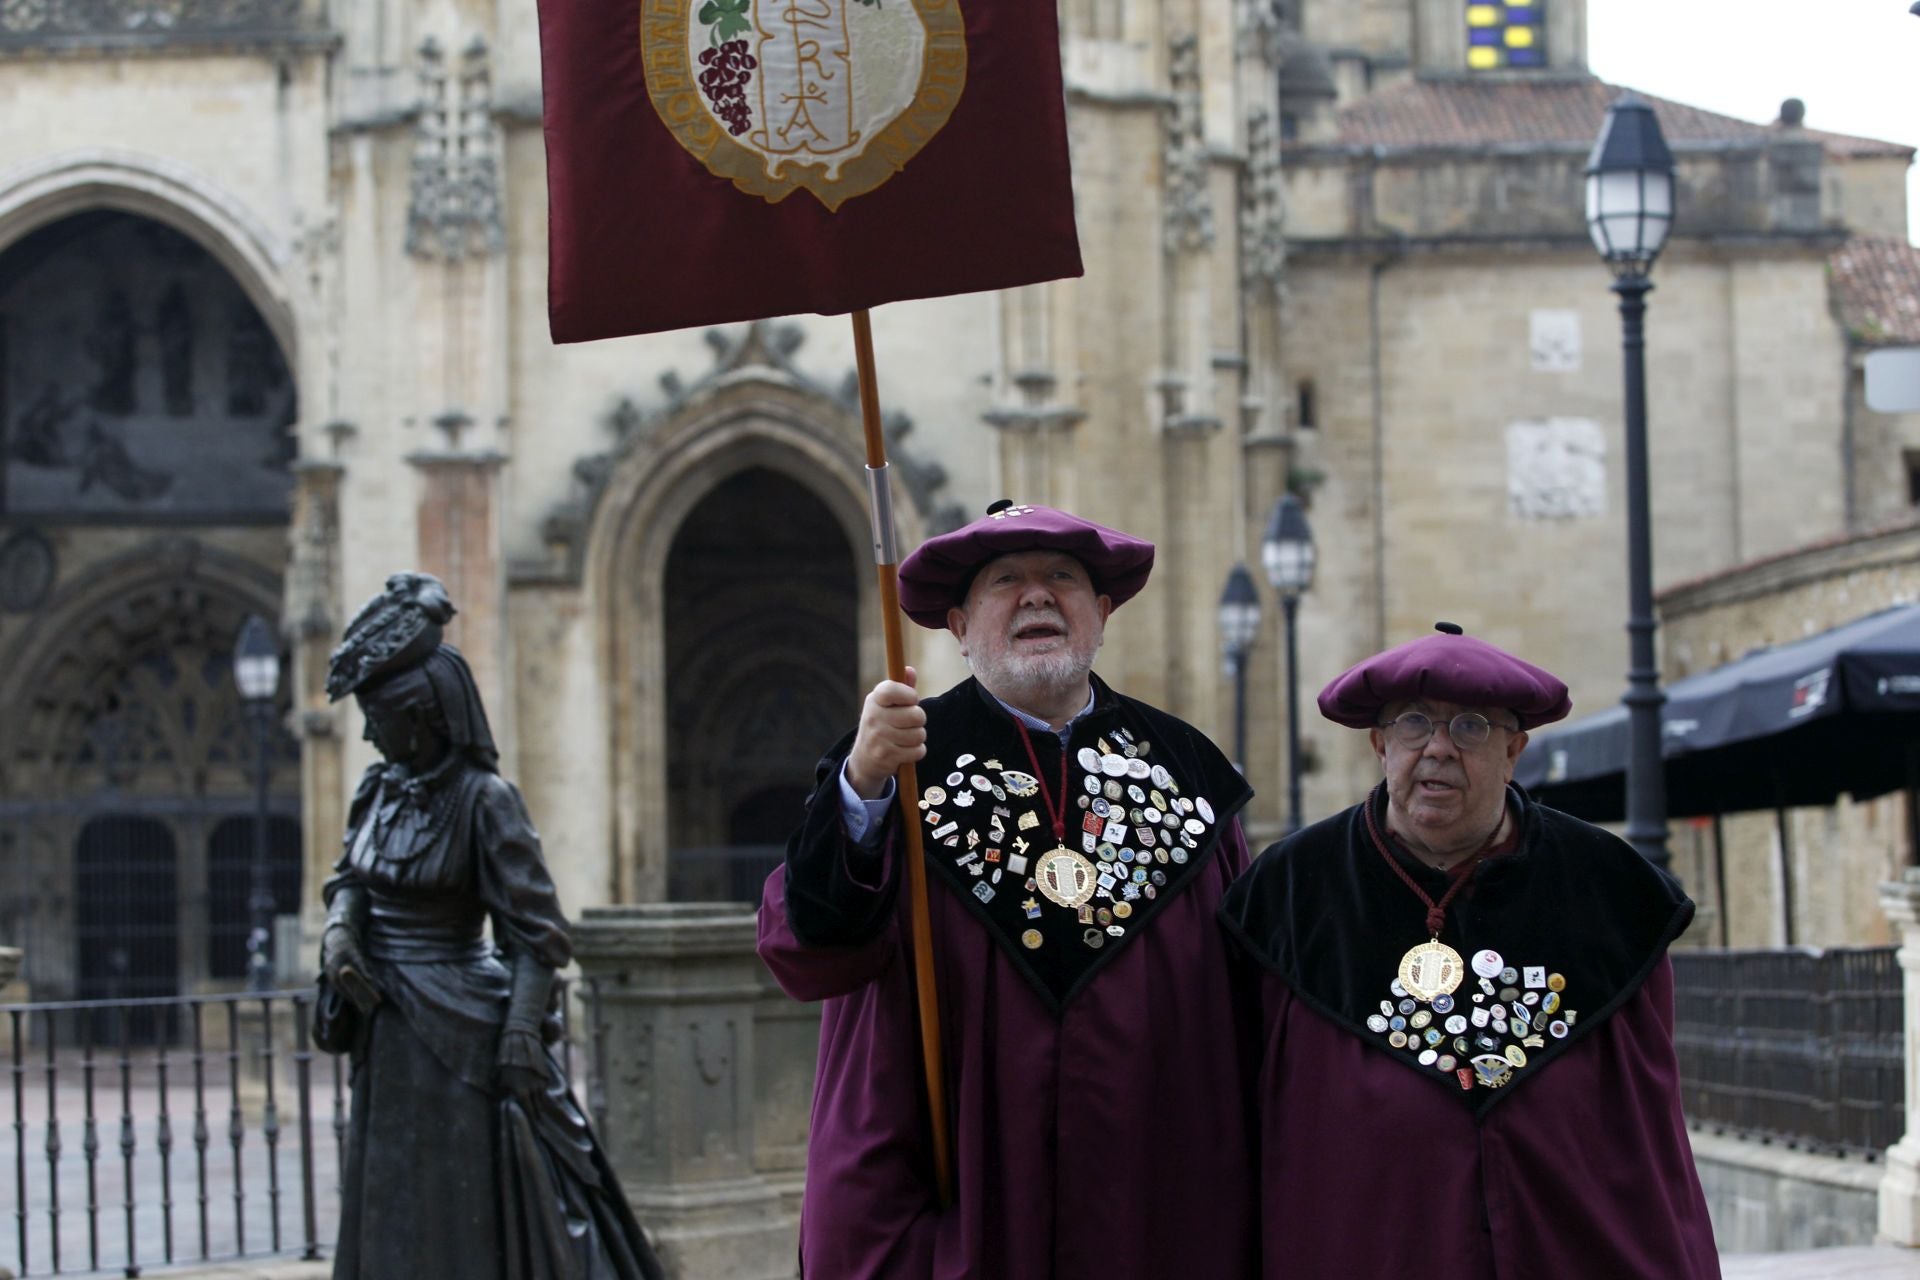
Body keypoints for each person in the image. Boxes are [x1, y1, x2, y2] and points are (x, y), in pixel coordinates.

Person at [758, 501, 1259, 1279]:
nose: (1036, 595)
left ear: (1101, 612)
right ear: (959, 625)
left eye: (1062, 576)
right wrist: (861, 784)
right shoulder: (899, 760)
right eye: (1005, 581)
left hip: (1150, 1195)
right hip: (954, 1192)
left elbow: (1247, 995)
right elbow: (810, 950)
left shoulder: (1186, 772)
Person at [1219, 623, 1720, 1279]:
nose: (1438, 748)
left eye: (1472, 727)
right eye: (1413, 724)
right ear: (1379, 744)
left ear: (1514, 750)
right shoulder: (1289, 893)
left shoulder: (1607, 887)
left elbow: (1648, 1120)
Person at [317, 572, 664, 1280]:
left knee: (466, 1199)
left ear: (422, 716)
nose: (366, 732)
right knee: (394, 1191)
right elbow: (350, 877)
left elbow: (537, 935)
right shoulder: (375, 792)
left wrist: (517, 1035)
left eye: (377, 717)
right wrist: (341, 931)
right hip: (388, 1030)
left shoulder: (485, 801)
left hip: (464, 1030)